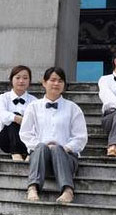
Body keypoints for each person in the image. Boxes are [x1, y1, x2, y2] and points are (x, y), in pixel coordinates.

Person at [20, 67, 88, 204]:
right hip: (41, 157)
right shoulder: (33, 107)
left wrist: (65, 148)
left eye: (60, 81)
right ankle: (33, 187)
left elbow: (81, 137)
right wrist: (43, 145)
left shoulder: (73, 108)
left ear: (64, 85)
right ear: (44, 83)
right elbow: (25, 133)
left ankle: (68, 190)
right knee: (41, 148)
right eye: (52, 80)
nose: (56, 84)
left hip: (66, 158)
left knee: (57, 149)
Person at [0, 65, 36, 161]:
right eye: (18, 77)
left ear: (29, 81)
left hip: (27, 141)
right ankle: (16, 153)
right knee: (12, 117)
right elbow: (2, 115)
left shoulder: (35, 101)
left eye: (25, 78)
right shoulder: (3, 98)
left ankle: (30, 152)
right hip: (6, 140)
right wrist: (18, 118)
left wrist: (25, 121)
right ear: (11, 79)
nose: (21, 81)